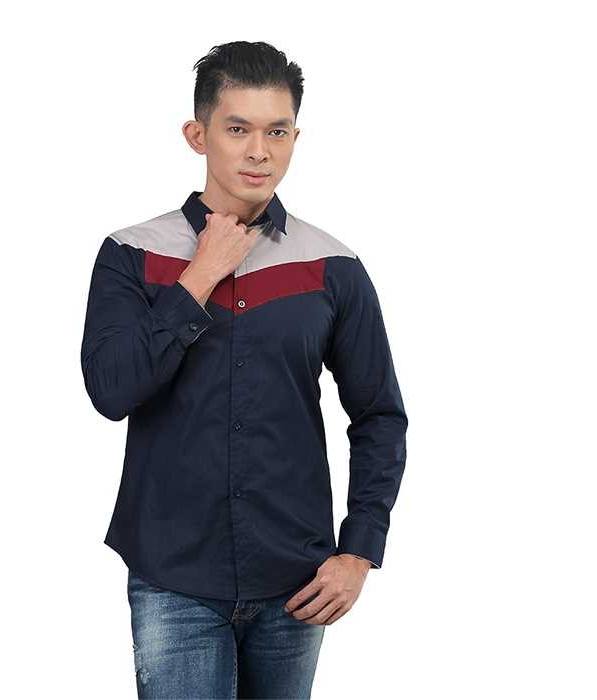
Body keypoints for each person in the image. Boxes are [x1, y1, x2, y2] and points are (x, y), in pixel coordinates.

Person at [80, 40, 408, 699]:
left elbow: (379, 415)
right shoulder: (131, 254)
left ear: (295, 138)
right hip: (173, 577)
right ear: (197, 135)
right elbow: (112, 391)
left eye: (277, 131)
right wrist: (199, 277)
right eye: (238, 129)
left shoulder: (333, 267)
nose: (259, 152)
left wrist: (359, 549)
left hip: (297, 582)